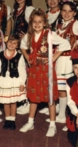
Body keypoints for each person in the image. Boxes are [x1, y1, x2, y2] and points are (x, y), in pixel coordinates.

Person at [19, 8, 70, 137]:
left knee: (50, 98)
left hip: (47, 71)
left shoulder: (49, 34)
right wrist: (27, 56)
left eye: (40, 22)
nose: (37, 24)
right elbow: (22, 46)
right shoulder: (29, 35)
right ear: (31, 23)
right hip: (34, 70)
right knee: (33, 97)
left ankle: (52, 125)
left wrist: (53, 57)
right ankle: (30, 122)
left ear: (45, 23)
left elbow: (65, 44)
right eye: (35, 22)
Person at [52, 0, 78, 131]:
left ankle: (71, 117)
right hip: (59, 60)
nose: (67, 14)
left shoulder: (76, 24)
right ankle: (61, 114)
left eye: (70, 11)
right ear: (61, 12)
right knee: (61, 89)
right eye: (64, 11)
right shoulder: (59, 25)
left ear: (74, 13)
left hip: (70, 61)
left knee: (70, 90)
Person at [0, 34, 27, 130]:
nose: (11, 44)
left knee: (13, 102)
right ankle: (7, 119)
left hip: (15, 81)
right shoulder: (1, 54)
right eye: (10, 42)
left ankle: (12, 120)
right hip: (3, 80)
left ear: (17, 45)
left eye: (14, 43)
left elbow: (22, 70)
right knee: (6, 102)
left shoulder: (19, 56)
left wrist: (22, 83)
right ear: (6, 42)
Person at [39, 0, 63, 116]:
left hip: (57, 50)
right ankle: (49, 101)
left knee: (57, 77)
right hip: (46, 50)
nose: (52, 1)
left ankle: (57, 104)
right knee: (46, 78)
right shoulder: (46, 14)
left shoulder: (62, 13)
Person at [11, 0, 34, 115]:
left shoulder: (29, 9)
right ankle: (22, 100)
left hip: (25, 46)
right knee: (20, 73)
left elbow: (35, 25)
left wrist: (27, 36)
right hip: (17, 46)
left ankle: (27, 101)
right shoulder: (16, 11)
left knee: (26, 74)